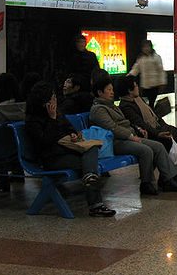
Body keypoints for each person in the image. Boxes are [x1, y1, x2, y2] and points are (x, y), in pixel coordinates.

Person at [24, 81, 115, 217]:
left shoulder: (57, 113)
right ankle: (96, 204)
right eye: (52, 98)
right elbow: (44, 142)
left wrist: (72, 134)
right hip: (53, 158)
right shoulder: (33, 120)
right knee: (90, 166)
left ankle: (91, 182)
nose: (55, 101)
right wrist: (52, 119)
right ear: (44, 102)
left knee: (92, 149)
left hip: (69, 150)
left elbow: (69, 128)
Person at [89, 72, 177, 194]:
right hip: (115, 141)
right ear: (100, 93)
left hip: (128, 137)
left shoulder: (112, 106)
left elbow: (126, 122)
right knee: (146, 150)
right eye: (109, 90)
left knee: (158, 146)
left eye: (112, 89)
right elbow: (112, 128)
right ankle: (146, 183)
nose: (112, 92)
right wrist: (131, 136)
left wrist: (137, 130)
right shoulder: (99, 110)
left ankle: (168, 179)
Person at [116, 75, 177, 184]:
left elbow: (155, 116)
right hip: (147, 134)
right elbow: (141, 124)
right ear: (129, 90)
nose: (138, 87)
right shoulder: (126, 106)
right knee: (168, 142)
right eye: (135, 86)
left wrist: (163, 127)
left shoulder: (139, 100)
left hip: (155, 130)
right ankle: (172, 177)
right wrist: (158, 133)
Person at [129, 39, 166, 106]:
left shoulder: (156, 57)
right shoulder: (141, 58)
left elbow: (160, 71)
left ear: (151, 47)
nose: (146, 49)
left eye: (147, 47)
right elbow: (136, 68)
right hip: (145, 85)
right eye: (144, 47)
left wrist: (162, 82)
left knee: (151, 103)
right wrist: (129, 76)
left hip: (154, 85)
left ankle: (152, 115)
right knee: (145, 103)